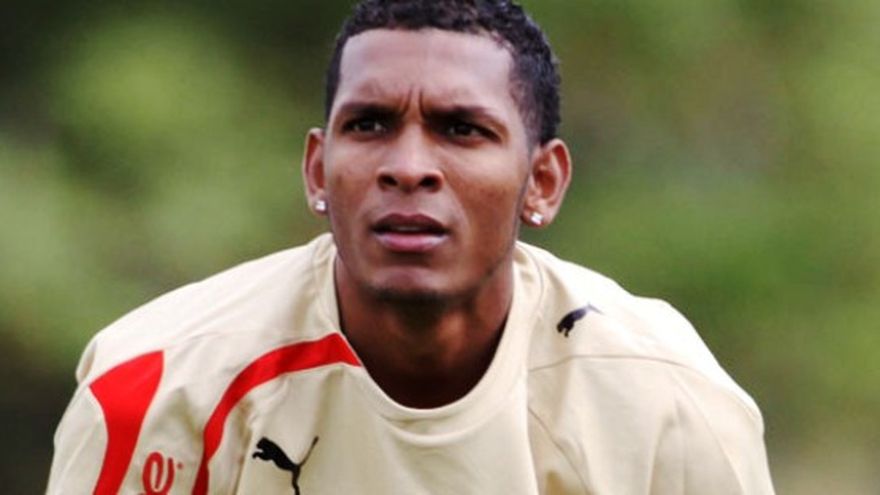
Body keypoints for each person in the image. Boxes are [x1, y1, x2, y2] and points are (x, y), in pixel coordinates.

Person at [47, 1, 775, 493]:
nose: (408, 167)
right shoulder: (158, 387)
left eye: (462, 130)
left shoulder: (666, 402)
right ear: (317, 170)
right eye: (369, 124)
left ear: (542, 182)